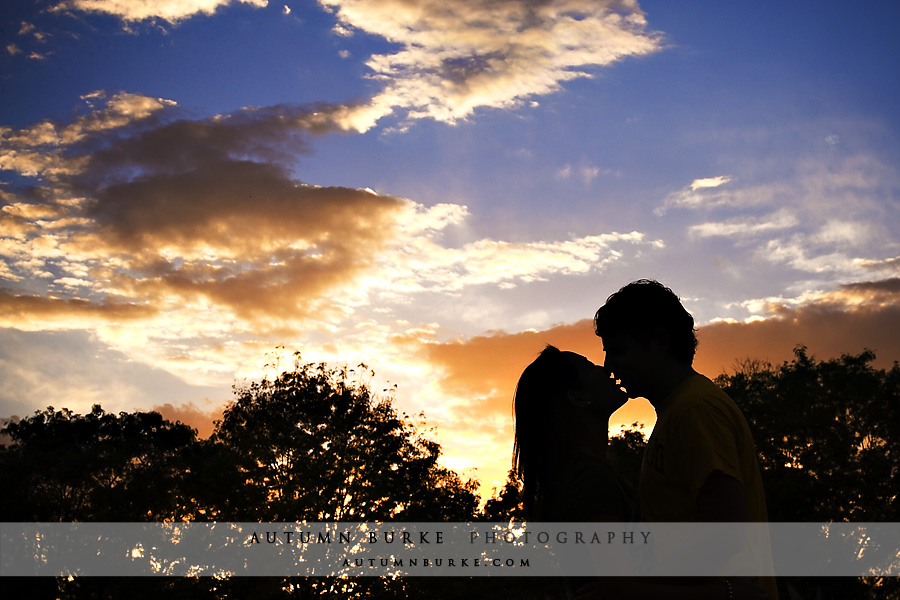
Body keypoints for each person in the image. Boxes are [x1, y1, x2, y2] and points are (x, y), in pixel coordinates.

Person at [512, 345, 771, 600]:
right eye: (591, 367)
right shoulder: (590, 479)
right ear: (578, 399)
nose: (606, 368)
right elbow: (622, 589)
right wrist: (728, 592)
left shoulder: (579, 475)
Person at [593, 279, 777, 599]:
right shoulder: (678, 411)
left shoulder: (696, 410)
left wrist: (635, 590)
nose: (609, 366)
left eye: (619, 351)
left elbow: (727, 534)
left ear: (660, 341)